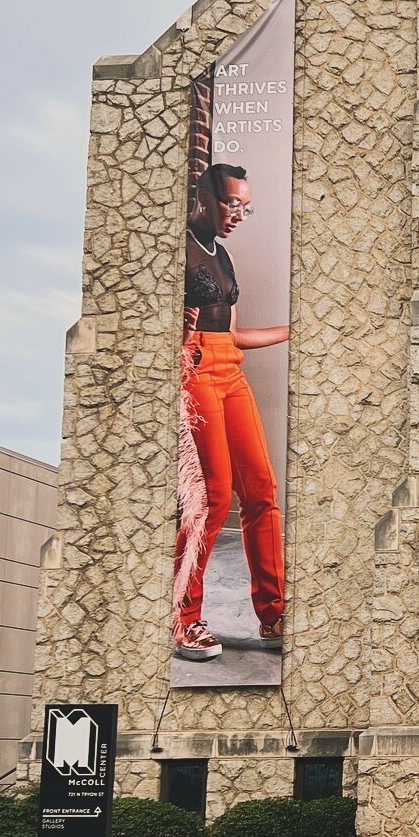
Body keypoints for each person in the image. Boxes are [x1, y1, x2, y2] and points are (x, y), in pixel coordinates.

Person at [172, 163, 289, 661]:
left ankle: (274, 613)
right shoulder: (178, 248)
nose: (239, 214)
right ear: (204, 197)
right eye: (231, 204)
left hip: (229, 367)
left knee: (260, 488)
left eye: (245, 206)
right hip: (194, 368)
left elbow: (235, 334)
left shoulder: (224, 253)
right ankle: (184, 618)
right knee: (213, 497)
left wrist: (293, 330)